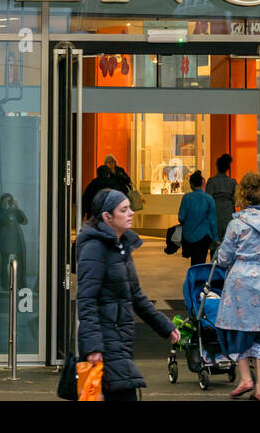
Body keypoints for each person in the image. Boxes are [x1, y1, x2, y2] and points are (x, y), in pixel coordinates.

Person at [76, 190, 180, 401]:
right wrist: (93, 347)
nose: (131, 213)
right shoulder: (94, 249)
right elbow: (86, 301)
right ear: (107, 217)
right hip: (106, 340)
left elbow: (136, 297)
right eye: (124, 210)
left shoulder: (121, 247)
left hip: (120, 339)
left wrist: (165, 326)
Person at [215, 172, 260, 400]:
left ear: (242, 198)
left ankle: (245, 378)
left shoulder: (237, 224)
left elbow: (224, 257)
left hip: (242, 280)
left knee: (236, 327)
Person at [178, 170, 218, 266]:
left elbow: (181, 217)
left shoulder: (186, 198)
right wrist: (216, 237)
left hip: (189, 236)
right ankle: (199, 278)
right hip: (204, 235)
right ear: (202, 183)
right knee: (201, 260)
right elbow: (213, 220)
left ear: (191, 184)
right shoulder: (209, 198)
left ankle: (194, 277)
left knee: (194, 260)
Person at [0, 193, 28, 293]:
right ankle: (4, 285)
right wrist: (6, 209)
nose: (7, 203)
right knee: (4, 264)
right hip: (4, 243)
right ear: (1, 202)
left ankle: (21, 285)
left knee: (21, 264)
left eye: (9, 201)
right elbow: (1, 222)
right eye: (5, 201)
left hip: (17, 242)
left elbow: (24, 221)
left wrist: (17, 209)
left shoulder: (15, 211)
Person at [206, 154, 238, 240]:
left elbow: (208, 200)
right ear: (228, 168)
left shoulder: (211, 181)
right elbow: (236, 199)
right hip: (229, 212)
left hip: (215, 212)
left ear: (217, 167)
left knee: (215, 241)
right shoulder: (232, 182)